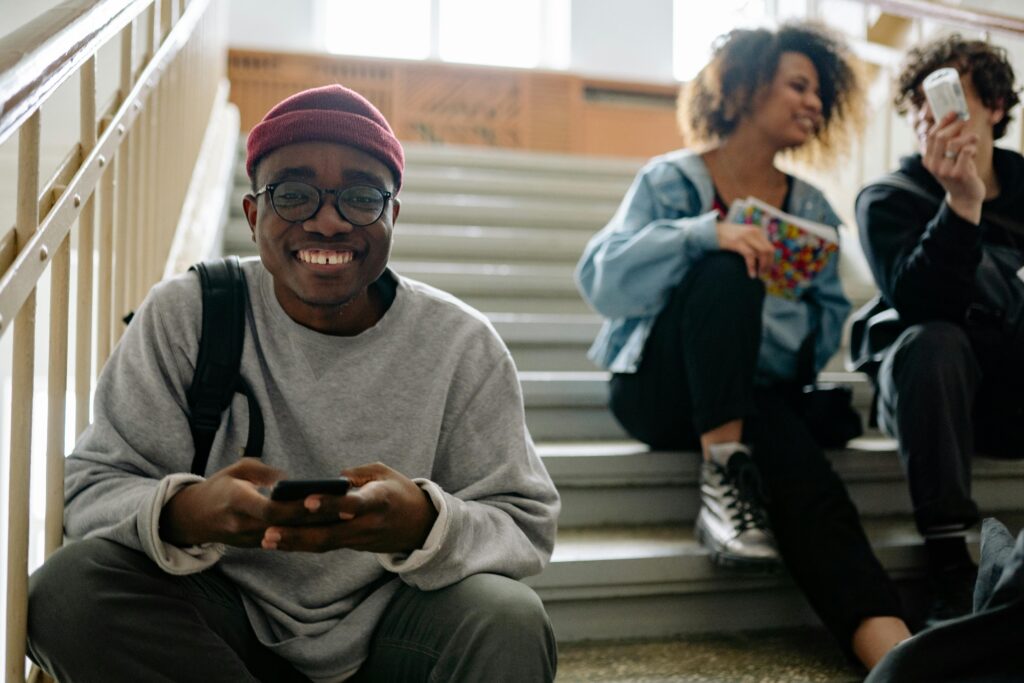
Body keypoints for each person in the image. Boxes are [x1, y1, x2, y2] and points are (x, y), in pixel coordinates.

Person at [26, 84, 560, 682]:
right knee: (68, 591)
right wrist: (188, 511)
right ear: (254, 214)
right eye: (295, 194)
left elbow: (523, 524)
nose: (328, 222)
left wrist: (423, 522)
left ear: (393, 217)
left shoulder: (462, 344)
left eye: (361, 196)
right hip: (222, 629)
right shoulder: (190, 314)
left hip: (396, 634)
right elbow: (92, 485)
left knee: (508, 619)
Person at [575, 23, 910, 668]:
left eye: (820, 93)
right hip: (660, 390)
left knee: (806, 479)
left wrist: (763, 317)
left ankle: (895, 657)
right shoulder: (669, 180)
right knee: (727, 268)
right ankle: (725, 475)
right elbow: (603, 280)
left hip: (755, 391)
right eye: (798, 86)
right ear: (746, 86)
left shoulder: (813, 206)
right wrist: (706, 236)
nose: (814, 103)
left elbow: (819, 338)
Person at [855, 34, 1024, 628]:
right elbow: (922, 303)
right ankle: (950, 564)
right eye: (921, 106)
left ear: (996, 107)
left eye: (948, 97)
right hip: (934, 392)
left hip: (1012, 390)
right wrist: (960, 205)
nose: (930, 116)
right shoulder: (889, 198)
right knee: (931, 340)